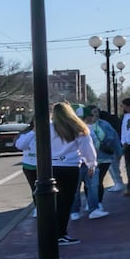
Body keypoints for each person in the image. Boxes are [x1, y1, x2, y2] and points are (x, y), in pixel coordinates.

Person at [47, 102, 95, 246]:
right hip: (69, 167)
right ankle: (61, 233)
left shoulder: (48, 128)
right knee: (65, 202)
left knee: (52, 202)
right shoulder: (78, 128)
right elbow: (87, 148)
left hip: (51, 167)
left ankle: (51, 233)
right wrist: (92, 164)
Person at [84, 105, 120, 217]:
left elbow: (114, 137)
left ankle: (98, 203)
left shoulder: (104, 124)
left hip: (104, 157)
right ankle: (90, 202)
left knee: (98, 181)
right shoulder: (82, 126)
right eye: (93, 112)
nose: (96, 114)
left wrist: (118, 152)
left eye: (97, 112)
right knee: (88, 182)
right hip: (88, 159)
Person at [16, 124, 39, 219]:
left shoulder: (52, 131)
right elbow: (20, 145)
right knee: (35, 189)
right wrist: (33, 132)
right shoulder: (27, 134)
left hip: (47, 165)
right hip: (30, 166)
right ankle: (38, 207)